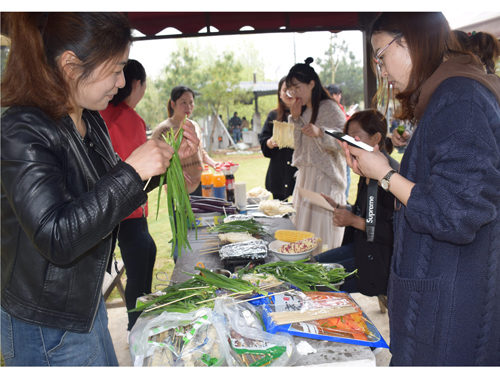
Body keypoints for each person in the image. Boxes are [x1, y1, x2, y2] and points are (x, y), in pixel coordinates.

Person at [0, 12, 199, 366]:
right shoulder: (22, 129)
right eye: (115, 69)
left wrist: (163, 162)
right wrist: (132, 169)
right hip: (46, 322)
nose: (121, 82)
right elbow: (57, 235)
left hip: (86, 301)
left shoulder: (88, 117)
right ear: (71, 66)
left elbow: (106, 196)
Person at [339, 12, 500, 365]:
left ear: (411, 40)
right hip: (442, 295)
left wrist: (385, 175)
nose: (380, 70)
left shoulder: (460, 98)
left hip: (450, 309)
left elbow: (456, 213)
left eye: (381, 56)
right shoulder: (451, 94)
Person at [315, 110, 399, 297]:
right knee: (312, 264)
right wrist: (342, 208)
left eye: (355, 137)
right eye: (348, 138)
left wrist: (353, 221)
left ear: (376, 138)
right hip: (362, 246)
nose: (349, 143)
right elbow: (368, 213)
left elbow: (395, 232)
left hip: (380, 259)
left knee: (315, 279)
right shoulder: (365, 167)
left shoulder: (391, 175)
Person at [99, 59, 156, 334]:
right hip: (129, 209)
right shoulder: (128, 118)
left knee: (147, 252)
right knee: (138, 266)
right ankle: (137, 330)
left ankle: (141, 322)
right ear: (137, 84)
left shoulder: (99, 115)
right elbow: (141, 174)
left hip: (106, 208)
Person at [151, 85, 219, 262]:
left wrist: (212, 163)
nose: (188, 106)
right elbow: (156, 161)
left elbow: (200, 152)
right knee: (182, 234)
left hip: (201, 187)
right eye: (183, 102)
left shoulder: (193, 125)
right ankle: (181, 269)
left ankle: (200, 265)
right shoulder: (163, 129)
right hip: (178, 191)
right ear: (173, 104)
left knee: (203, 231)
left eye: (191, 102)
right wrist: (174, 173)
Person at [286, 57, 347, 254]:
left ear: (312, 84)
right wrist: (294, 120)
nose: (294, 93)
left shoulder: (330, 107)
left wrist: (321, 132)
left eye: (297, 88)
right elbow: (296, 145)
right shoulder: (302, 110)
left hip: (324, 178)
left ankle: (323, 273)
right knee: (302, 230)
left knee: (322, 233)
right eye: (291, 90)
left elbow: (343, 140)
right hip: (305, 177)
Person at [258, 76, 298, 201]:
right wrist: (270, 142)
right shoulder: (273, 115)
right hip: (278, 174)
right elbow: (263, 141)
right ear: (279, 94)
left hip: (299, 174)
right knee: (280, 212)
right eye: (285, 89)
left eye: (293, 90)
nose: (289, 93)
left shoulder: (306, 116)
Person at [326, 83, 351, 199]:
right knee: (343, 174)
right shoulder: (334, 108)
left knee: (345, 174)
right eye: (338, 94)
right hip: (336, 147)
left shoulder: (337, 107)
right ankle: (342, 199)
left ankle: (343, 198)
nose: (339, 97)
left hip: (339, 147)